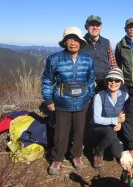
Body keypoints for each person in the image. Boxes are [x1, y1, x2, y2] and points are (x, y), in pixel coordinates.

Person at [42, 27, 95, 175]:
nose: (73, 43)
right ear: (65, 42)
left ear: (81, 42)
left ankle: (76, 155)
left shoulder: (88, 59)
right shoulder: (54, 59)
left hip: (82, 101)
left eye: (76, 40)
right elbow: (47, 80)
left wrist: (90, 96)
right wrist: (48, 99)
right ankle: (57, 157)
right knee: (61, 132)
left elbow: (90, 80)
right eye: (70, 40)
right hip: (62, 102)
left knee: (79, 130)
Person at [90, 68, 129, 171]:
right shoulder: (99, 96)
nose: (113, 82)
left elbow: (124, 114)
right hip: (99, 128)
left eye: (117, 80)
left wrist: (120, 122)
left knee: (117, 153)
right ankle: (98, 152)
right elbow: (96, 119)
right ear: (106, 81)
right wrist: (116, 120)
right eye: (110, 79)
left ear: (121, 82)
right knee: (110, 134)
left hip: (115, 128)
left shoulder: (125, 96)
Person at [82, 14, 117, 93]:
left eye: (97, 25)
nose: (95, 27)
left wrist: (114, 79)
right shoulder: (81, 43)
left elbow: (113, 64)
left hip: (106, 83)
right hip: (88, 84)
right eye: (92, 25)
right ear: (86, 27)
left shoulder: (106, 42)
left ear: (101, 27)